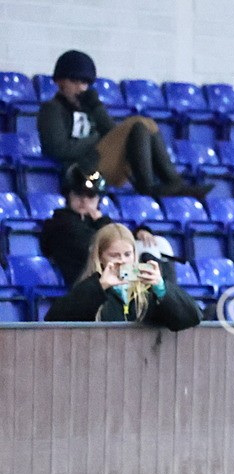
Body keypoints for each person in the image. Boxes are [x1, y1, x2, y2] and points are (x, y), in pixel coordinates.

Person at [37, 50, 210, 199]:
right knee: (138, 122)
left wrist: (96, 108)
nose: (81, 88)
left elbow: (113, 134)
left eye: (85, 83)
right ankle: (154, 185)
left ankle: (170, 183)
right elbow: (58, 149)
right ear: (60, 82)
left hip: (103, 169)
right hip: (80, 171)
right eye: (74, 82)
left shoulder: (89, 107)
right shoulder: (52, 109)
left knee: (144, 124)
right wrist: (97, 139)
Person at [45, 222, 201, 330]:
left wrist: (161, 288)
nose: (122, 261)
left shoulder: (148, 291)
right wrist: (99, 288)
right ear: (100, 258)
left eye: (127, 254)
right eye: (114, 255)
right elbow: (54, 320)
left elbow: (192, 317)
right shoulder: (90, 289)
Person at [38, 164, 114, 285]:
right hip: (85, 287)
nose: (84, 200)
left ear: (98, 199)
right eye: (79, 193)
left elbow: (121, 242)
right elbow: (96, 247)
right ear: (68, 195)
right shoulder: (60, 223)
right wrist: (102, 223)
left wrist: (141, 230)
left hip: (103, 280)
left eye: (90, 195)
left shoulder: (96, 223)